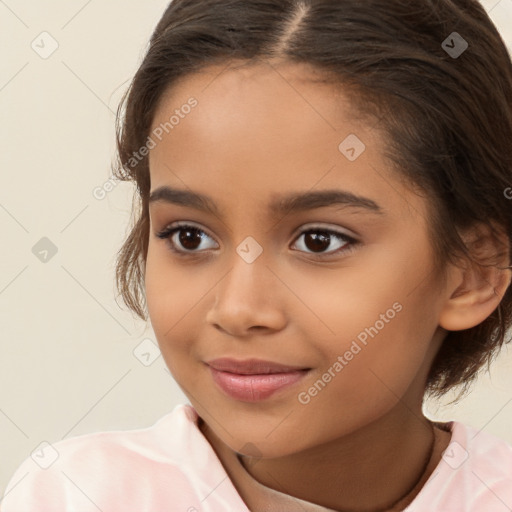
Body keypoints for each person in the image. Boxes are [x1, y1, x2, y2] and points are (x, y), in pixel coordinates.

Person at [3, 0, 512, 510]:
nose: (238, 310)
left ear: (473, 271)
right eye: (189, 237)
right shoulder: (75, 496)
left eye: (319, 240)